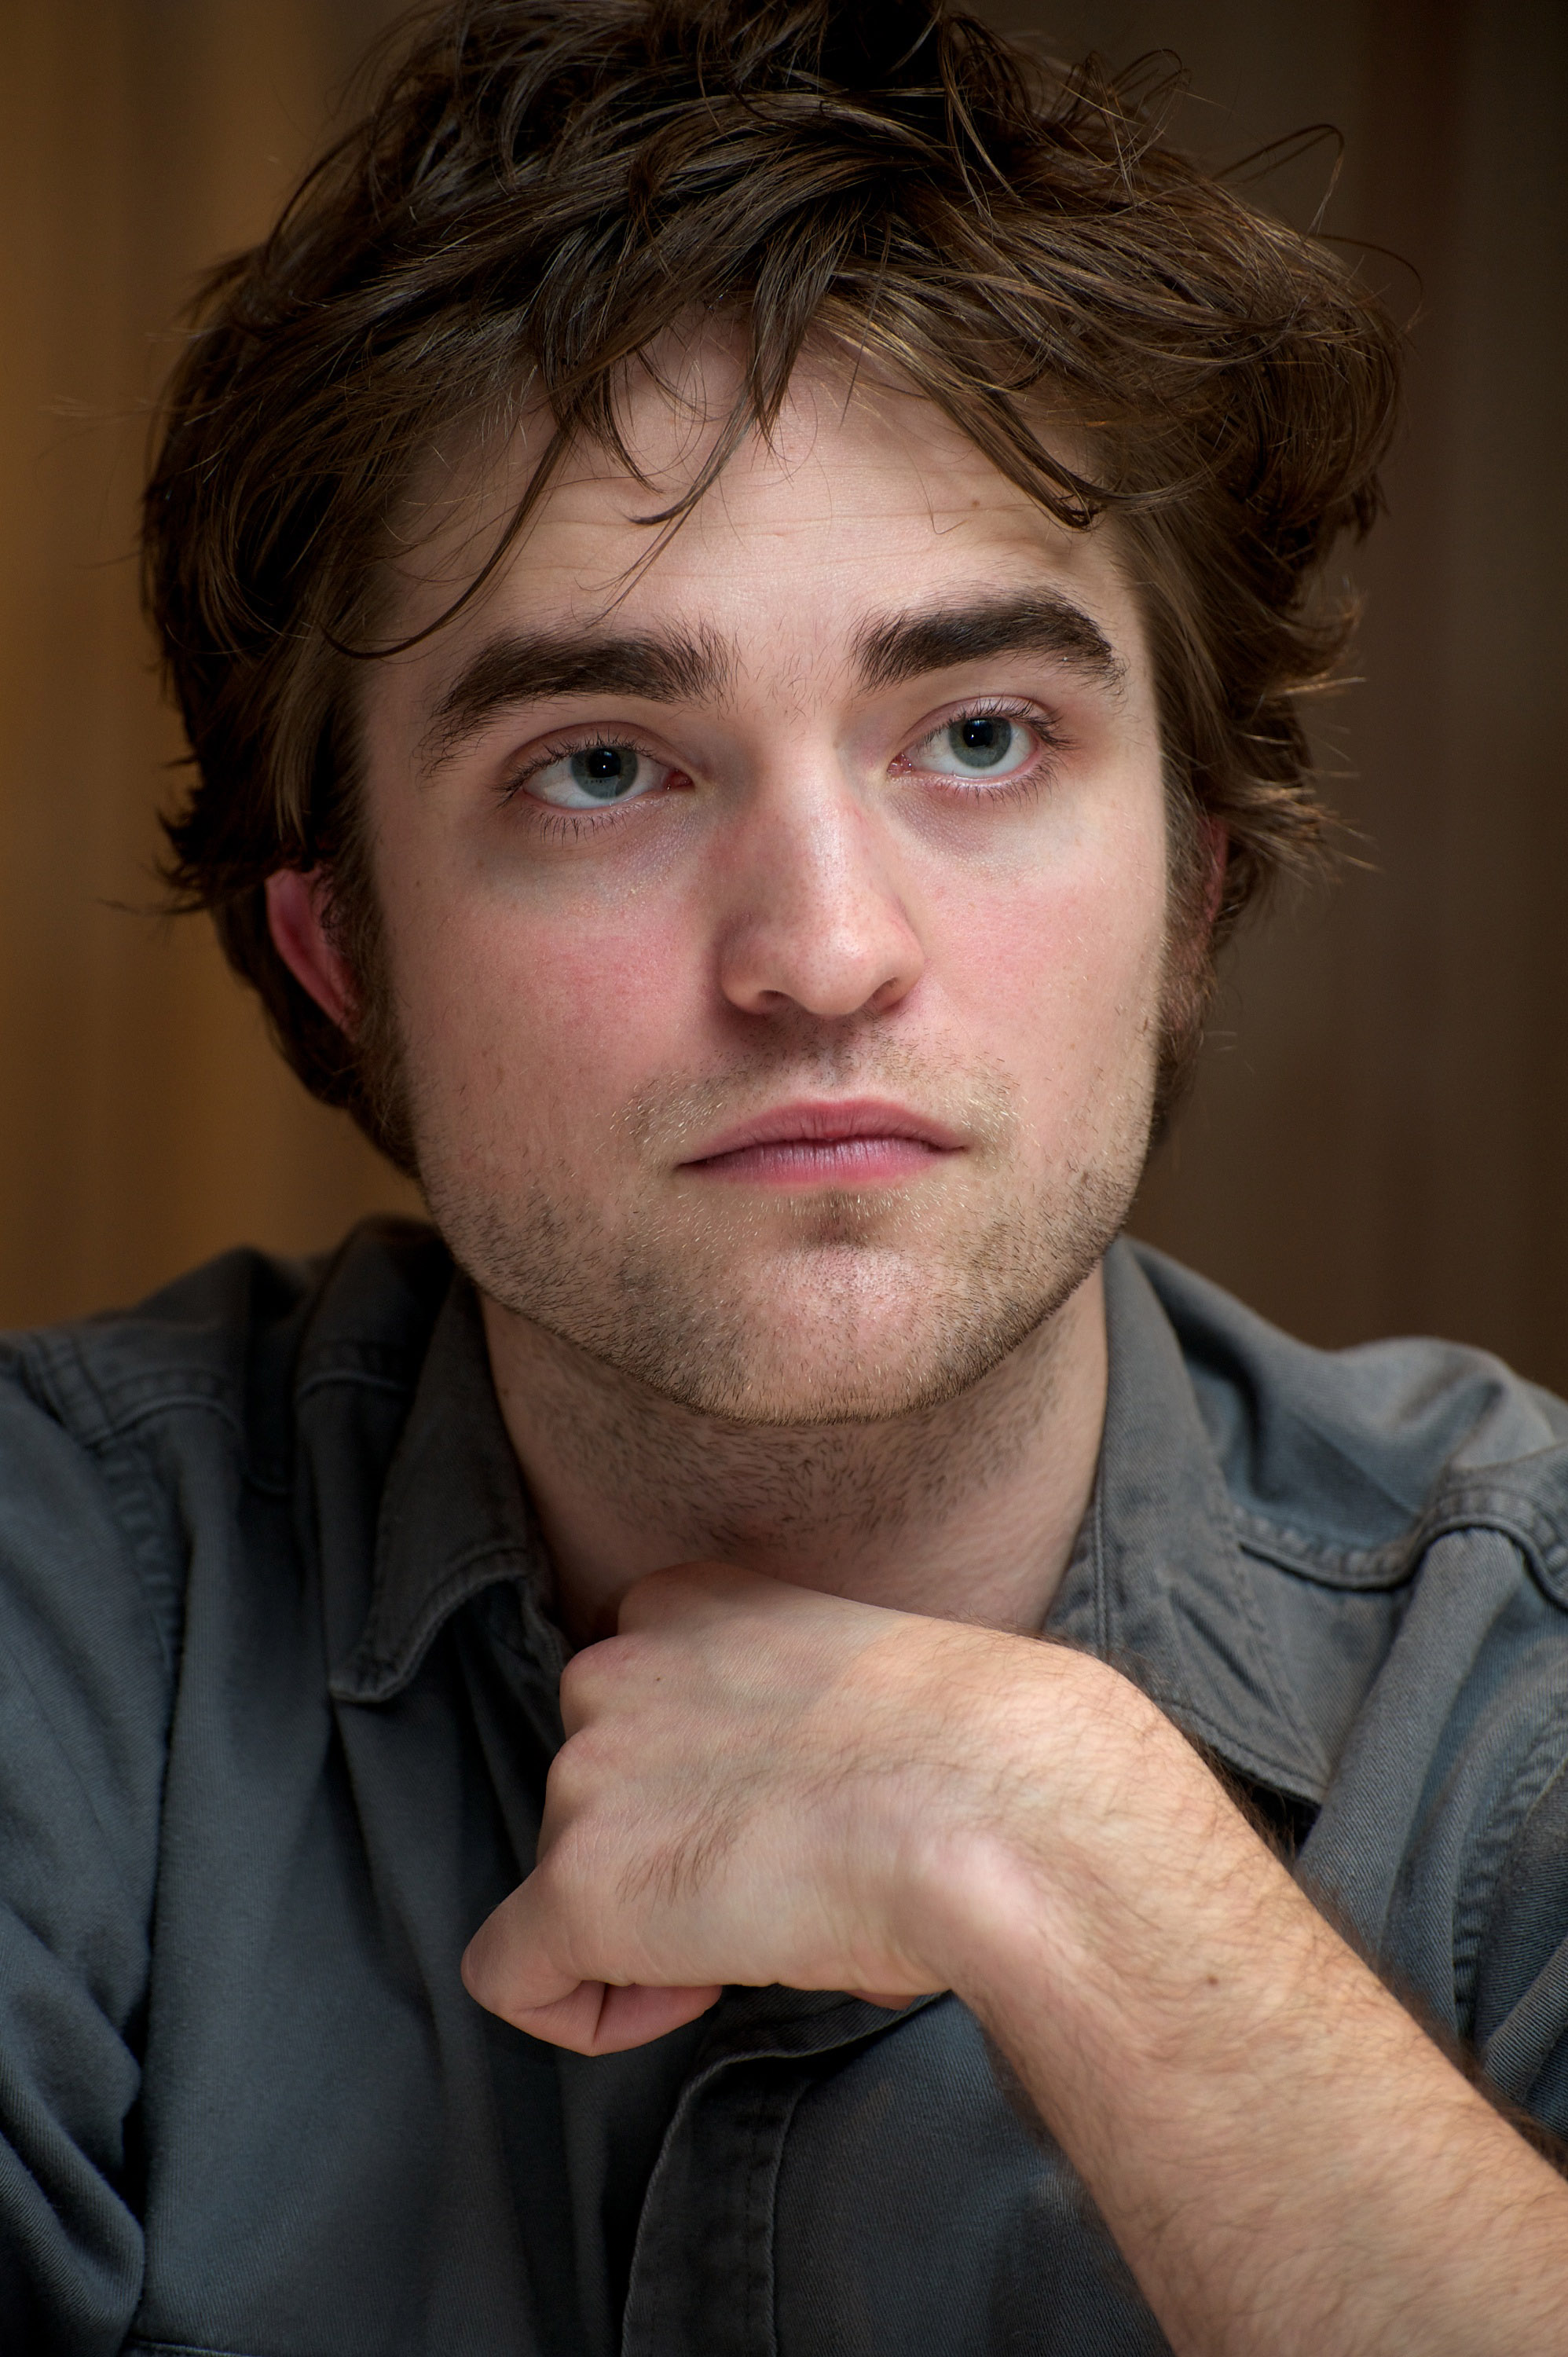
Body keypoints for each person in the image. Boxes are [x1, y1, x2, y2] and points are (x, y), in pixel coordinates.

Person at [5, 2, 1567, 2349]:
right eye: (602, 767)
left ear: (1198, 884)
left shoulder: (1530, 1675)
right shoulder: (57, 1610)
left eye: (979, 734)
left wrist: (1069, 1849)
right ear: (342, 956)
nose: (824, 954)